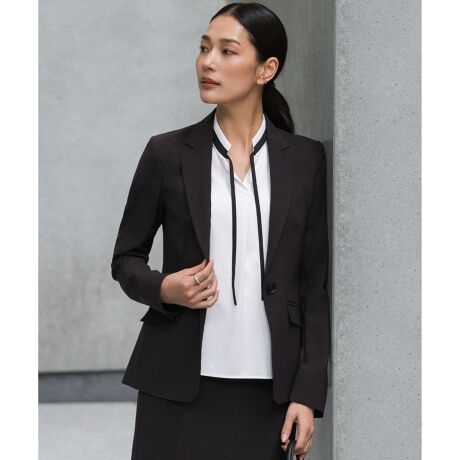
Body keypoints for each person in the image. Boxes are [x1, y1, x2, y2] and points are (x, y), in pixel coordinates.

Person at [111, 3, 331, 459]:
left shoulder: (305, 160)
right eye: (204, 48)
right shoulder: (167, 153)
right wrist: (165, 288)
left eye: (227, 51)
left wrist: (308, 393)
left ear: (266, 69)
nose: (207, 62)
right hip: (176, 384)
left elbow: (313, 287)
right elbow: (126, 259)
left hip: (270, 391)